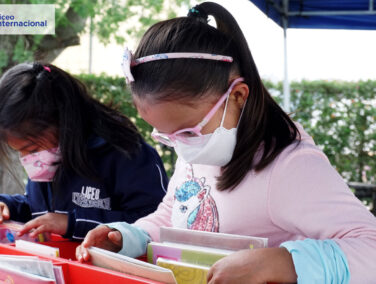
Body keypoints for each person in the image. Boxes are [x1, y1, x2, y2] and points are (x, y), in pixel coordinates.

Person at [76, 2, 376, 283]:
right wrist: (129, 236)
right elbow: (175, 215)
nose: (180, 147)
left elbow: (370, 248)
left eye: (189, 132)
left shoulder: (289, 165)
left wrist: (283, 262)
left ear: (238, 96)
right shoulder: (197, 148)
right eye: (166, 135)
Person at [0, 63, 168, 241]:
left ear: (64, 122)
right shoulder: (50, 159)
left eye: (32, 149)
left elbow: (152, 222)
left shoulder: (125, 154)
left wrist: (72, 223)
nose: (28, 160)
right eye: (20, 153)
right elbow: (40, 212)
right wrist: (5, 206)